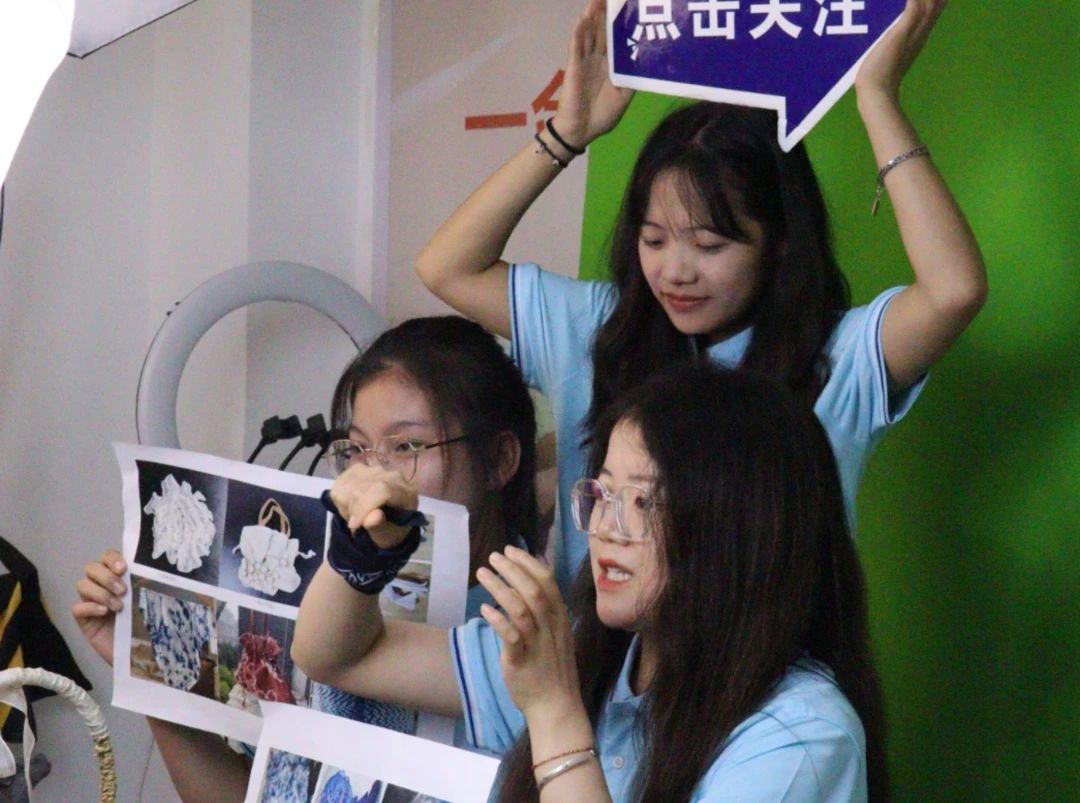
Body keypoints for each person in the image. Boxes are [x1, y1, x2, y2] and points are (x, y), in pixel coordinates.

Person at [415, 0, 987, 589]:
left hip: (770, 653)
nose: (674, 272)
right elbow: (447, 267)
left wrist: (878, 99)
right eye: (653, 239)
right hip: (590, 651)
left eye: (710, 245)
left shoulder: (838, 355)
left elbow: (954, 291)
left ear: (780, 243)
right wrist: (567, 135)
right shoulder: (600, 327)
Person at [293, 362, 888, 801]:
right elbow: (338, 657)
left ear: (744, 527)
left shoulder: (803, 736)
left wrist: (554, 709)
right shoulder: (588, 650)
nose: (605, 527)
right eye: (603, 493)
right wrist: (367, 549)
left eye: (645, 502)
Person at [72, 315, 542, 802]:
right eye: (357, 449)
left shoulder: (527, 640)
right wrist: (149, 677)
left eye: (407, 446)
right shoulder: (326, 593)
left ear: (499, 460)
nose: (372, 475)